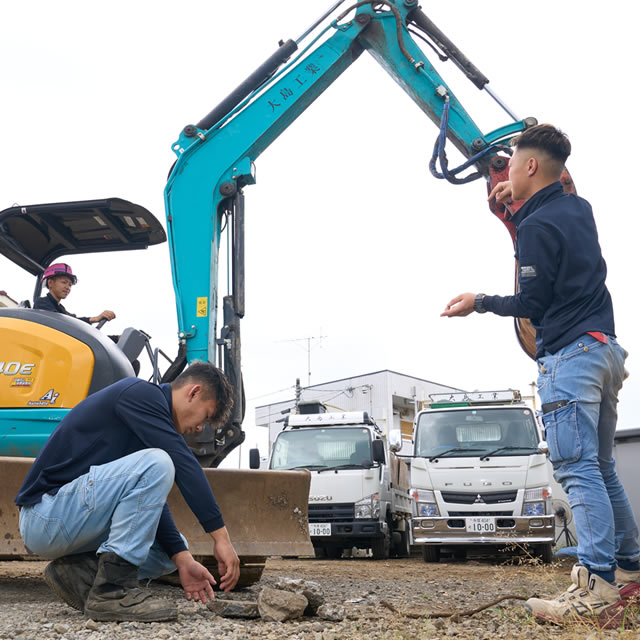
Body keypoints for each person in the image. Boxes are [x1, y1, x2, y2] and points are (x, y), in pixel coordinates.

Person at [441, 124, 640, 627]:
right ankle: (630, 575)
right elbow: (560, 194)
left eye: (510, 165)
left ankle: (594, 587)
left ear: (529, 166)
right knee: (601, 467)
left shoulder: (535, 228)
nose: (502, 174)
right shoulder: (579, 209)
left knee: (577, 470)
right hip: (605, 349)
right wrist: (521, 197)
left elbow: (532, 303)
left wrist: (479, 302)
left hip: (570, 357)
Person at [15, 360, 240, 622]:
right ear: (194, 392)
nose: (201, 428)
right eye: (206, 416)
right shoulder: (138, 393)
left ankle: (81, 573)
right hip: (45, 514)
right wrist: (221, 538)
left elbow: (146, 505)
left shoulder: (145, 421)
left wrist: (183, 559)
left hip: (72, 519)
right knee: (160, 461)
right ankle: (113, 592)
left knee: (174, 552)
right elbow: (182, 463)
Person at [34, 262, 115, 326]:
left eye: (70, 284)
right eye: (64, 282)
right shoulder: (42, 304)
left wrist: (96, 319)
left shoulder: (60, 309)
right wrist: (95, 319)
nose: (68, 287)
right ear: (50, 283)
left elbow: (74, 321)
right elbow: (65, 323)